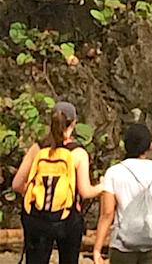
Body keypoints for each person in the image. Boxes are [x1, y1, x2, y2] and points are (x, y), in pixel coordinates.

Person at [12, 101, 104, 264]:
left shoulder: (37, 148)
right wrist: (102, 186)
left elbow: (17, 184)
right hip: (67, 219)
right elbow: (85, 192)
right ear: (74, 123)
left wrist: (40, 196)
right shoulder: (78, 152)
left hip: (37, 218)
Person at [93, 124, 152, 264]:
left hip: (122, 248)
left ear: (125, 145)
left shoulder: (114, 173)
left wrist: (97, 250)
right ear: (149, 146)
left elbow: (107, 214)